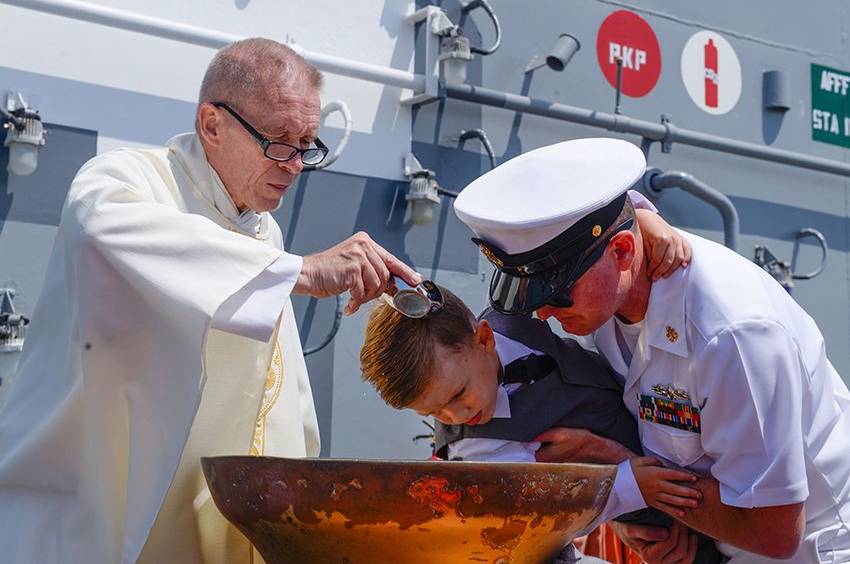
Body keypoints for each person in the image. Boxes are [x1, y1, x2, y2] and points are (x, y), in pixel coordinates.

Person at [0, 38, 419, 564]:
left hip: (225, 523)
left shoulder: (265, 233)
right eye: (279, 140)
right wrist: (304, 271)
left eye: (307, 145)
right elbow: (98, 230)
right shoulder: (125, 180)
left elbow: (278, 381)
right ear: (212, 124)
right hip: (109, 518)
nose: (293, 165)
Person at [452, 137, 850, 564]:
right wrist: (630, 511)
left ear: (623, 251)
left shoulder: (732, 337)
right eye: (530, 296)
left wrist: (627, 475)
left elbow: (774, 530)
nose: (545, 313)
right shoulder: (601, 301)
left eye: (557, 292)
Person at [360, 284, 723, 564]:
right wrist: (631, 486)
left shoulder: (510, 312)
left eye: (458, 394)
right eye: (434, 414)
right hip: (654, 502)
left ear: (484, 338)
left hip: (691, 433)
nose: (455, 417)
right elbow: (541, 509)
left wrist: (646, 219)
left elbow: (539, 245)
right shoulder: (478, 449)